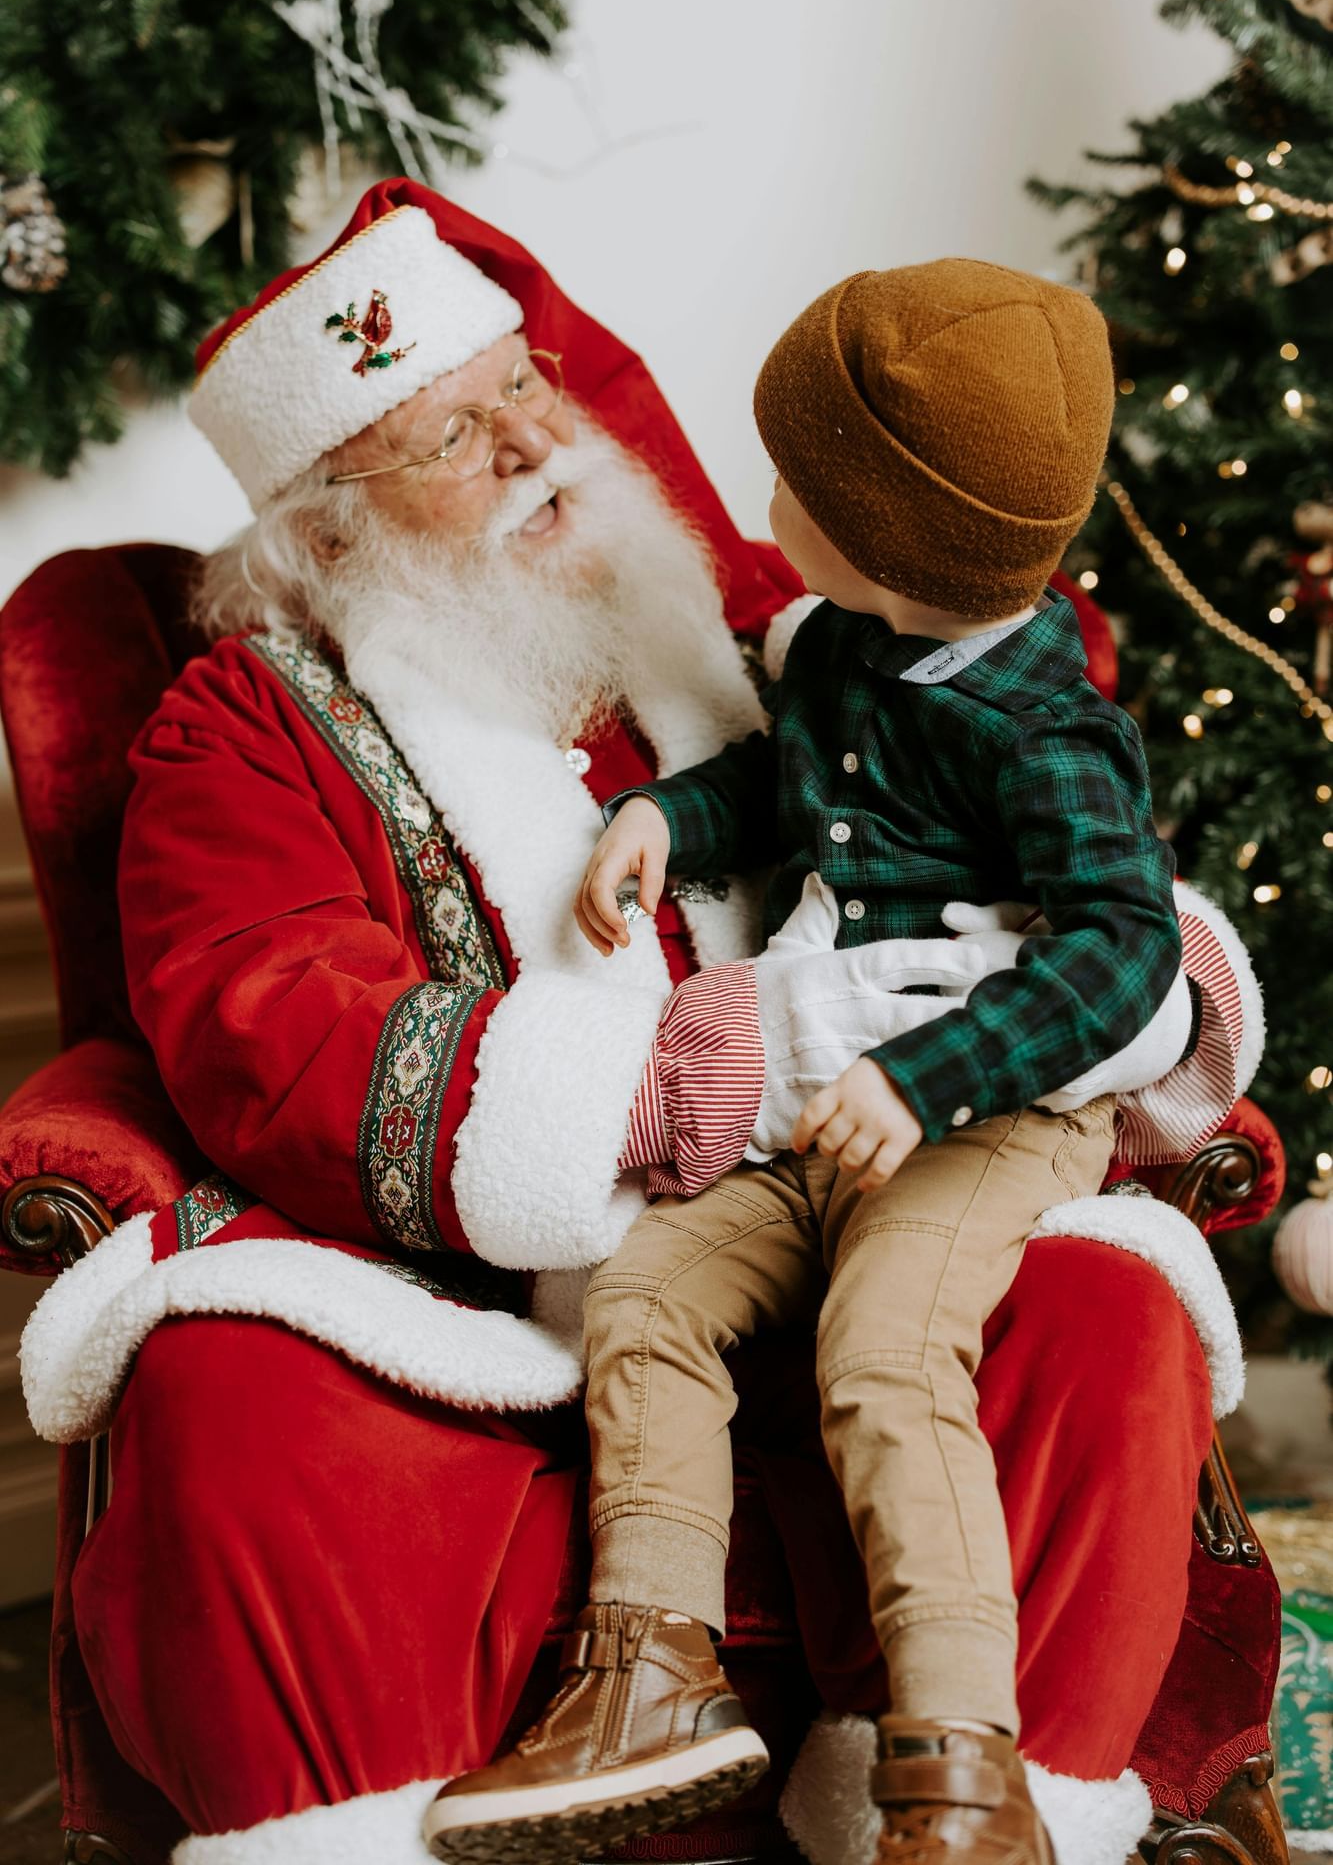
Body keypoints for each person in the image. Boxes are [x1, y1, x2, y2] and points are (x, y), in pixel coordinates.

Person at [18, 189, 1256, 1865]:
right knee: (231, 1391)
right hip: (521, 1257)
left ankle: (972, 1802)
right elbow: (269, 1027)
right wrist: (679, 1078)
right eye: (455, 431)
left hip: (895, 1150)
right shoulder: (242, 731)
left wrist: (1013, 1008)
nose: (539, 438)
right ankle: (591, 1712)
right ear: (324, 531)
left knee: (1098, 1310)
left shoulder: (725, 617)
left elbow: (1035, 860)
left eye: (526, 378)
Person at [423, 262, 1191, 1865]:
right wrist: (666, 816)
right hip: (824, 1105)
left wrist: (928, 1078)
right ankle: (653, 1669)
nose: (763, 498)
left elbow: (1125, 953)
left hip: (985, 1112)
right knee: (644, 1295)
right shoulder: (843, 642)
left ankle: (962, 1774)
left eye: (797, 479)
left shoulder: (1044, 728)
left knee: (883, 1354)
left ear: (895, 529)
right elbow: (788, 787)